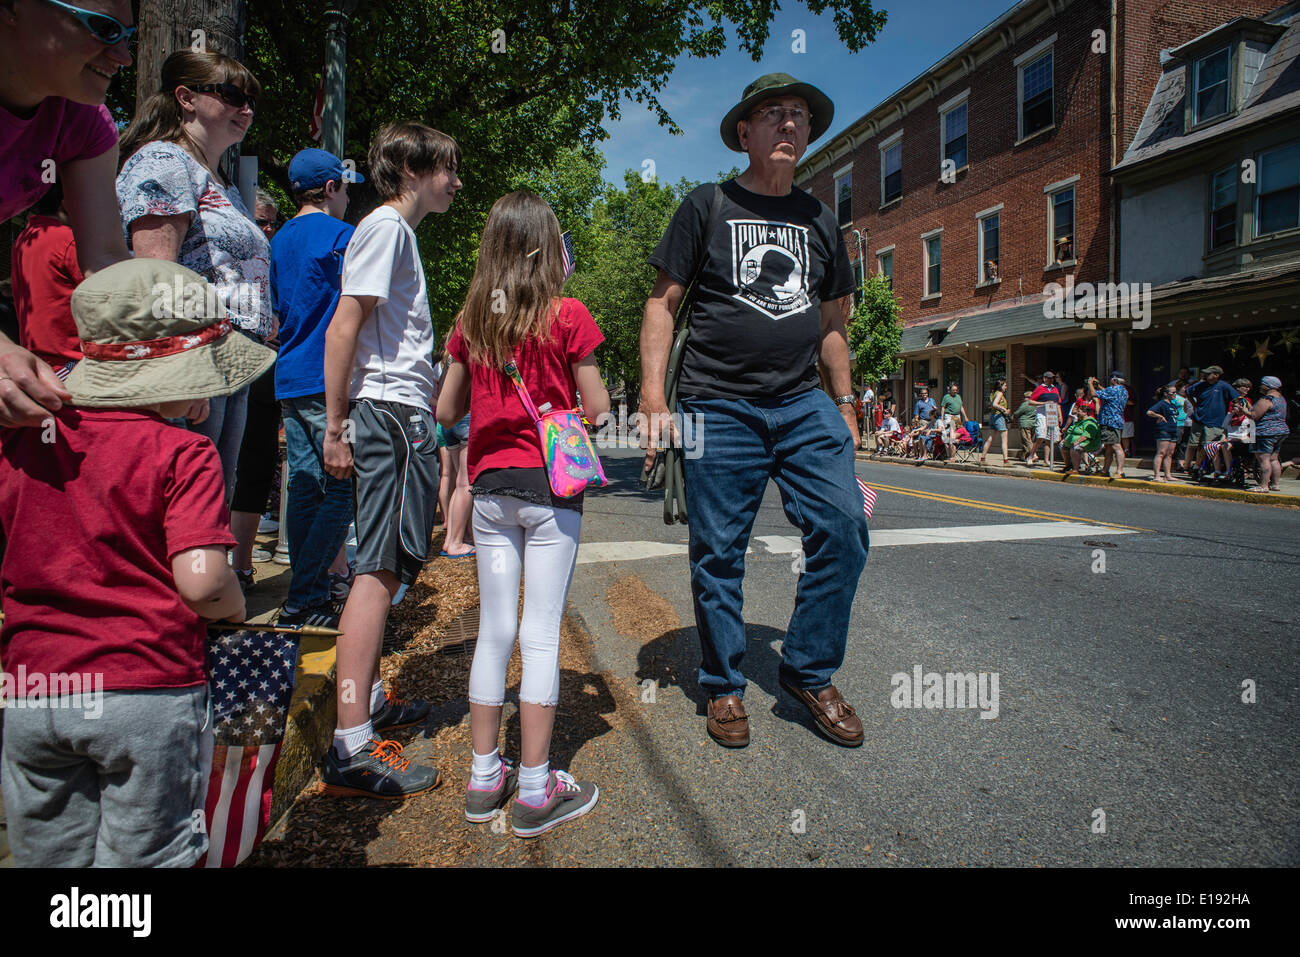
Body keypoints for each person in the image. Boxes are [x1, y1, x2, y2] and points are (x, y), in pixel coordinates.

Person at [0, 258, 272, 866]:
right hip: (144, 685)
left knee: (48, 853)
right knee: (149, 853)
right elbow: (202, 583)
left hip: (32, 686)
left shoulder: (24, 437)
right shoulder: (182, 452)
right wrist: (231, 607)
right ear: (171, 373)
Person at [640, 72, 868, 748]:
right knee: (718, 551)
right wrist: (653, 396)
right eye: (775, 114)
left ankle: (808, 668)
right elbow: (662, 302)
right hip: (717, 403)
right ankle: (724, 685)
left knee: (845, 523)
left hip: (802, 403)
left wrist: (846, 400)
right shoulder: (708, 204)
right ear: (746, 132)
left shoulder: (821, 219)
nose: (790, 125)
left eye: (799, 115)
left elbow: (832, 323)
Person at [436, 191, 608, 836]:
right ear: (547, 246)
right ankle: (536, 789)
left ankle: (486, 777)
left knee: (495, 631)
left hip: (489, 488)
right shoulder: (568, 315)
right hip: (551, 490)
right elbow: (593, 409)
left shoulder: (473, 318)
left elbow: (447, 412)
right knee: (540, 632)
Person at [320, 122, 462, 797]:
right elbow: (344, 323)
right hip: (385, 413)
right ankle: (349, 744)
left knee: (391, 562)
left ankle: (369, 699)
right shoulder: (385, 228)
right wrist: (338, 424)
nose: (456, 182)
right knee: (377, 569)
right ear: (411, 166)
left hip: (396, 412)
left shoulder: (395, 233)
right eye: (447, 169)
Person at [116, 49, 272, 496]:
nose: (246, 109)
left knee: (212, 500)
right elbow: (155, 274)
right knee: (187, 500)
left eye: (251, 101)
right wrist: (182, 369)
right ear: (186, 97)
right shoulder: (165, 161)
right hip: (197, 354)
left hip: (233, 358)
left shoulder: (219, 180)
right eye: (231, 95)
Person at [0, 0, 133, 428]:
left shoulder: (86, 122)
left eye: (127, 37)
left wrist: (163, 350)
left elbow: (106, 267)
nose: (123, 57)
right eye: (103, 28)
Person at [271, 148, 361, 627]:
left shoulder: (279, 238)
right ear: (331, 188)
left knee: (305, 487)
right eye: (347, 188)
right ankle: (305, 595)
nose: (349, 197)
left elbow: (277, 312)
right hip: (328, 380)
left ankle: (305, 594)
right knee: (344, 490)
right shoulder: (344, 237)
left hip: (288, 377)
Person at [229, 188, 285, 590]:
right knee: (216, 465)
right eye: (259, 221)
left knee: (256, 466)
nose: (266, 228)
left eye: (271, 222)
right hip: (224, 366)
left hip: (265, 371)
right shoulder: (224, 256)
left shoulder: (277, 257)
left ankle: (241, 566)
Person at [9, 183, 83, 380]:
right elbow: (105, 295)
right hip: (72, 362)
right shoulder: (68, 241)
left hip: (38, 361)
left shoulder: (26, 237)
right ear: (67, 204)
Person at [435, 350, 475, 558]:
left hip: (448, 424)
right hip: (467, 417)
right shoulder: (474, 350)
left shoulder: (449, 359)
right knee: (466, 483)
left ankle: (456, 535)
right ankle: (457, 541)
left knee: (457, 482)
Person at [1186, 364, 1238, 473]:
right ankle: (1193, 467)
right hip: (1199, 418)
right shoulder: (1201, 385)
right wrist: (1194, 405)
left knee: (1208, 445)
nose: (1205, 375)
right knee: (1194, 444)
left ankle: (1198, 466)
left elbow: (1236, 398)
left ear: (1216, 375)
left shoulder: (1224, 386)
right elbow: (1188, 392)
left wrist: (1234, 411)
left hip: (1215, 420)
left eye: (1209, 373)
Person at [1247, 375, 1289, 493]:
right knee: (1274, 459)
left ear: (1268, 386)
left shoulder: (1267, 399)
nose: (1261, 386)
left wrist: (1243, 410)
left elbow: (1254, 416)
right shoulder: (1281, 399)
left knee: (1263, 459)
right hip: (1280, 431)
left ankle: (1263, 486)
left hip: (1265, 432)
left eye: (1262, 384)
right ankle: (1275, 484)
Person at [1089, 372, 1129, 478]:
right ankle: (1105, 470)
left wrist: (1090, 384)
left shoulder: (1111, 390)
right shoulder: (1123, 391)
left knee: (1116, 446)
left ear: (1114, 380)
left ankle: (1120, 471)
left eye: (1111, 379)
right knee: (1109, 448)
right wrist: (1099, 386)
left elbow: (1094, 394)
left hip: (1109, 422)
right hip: (1118, 421)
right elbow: (1107, 394)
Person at [1146, 385, 1179, 482]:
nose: (1175, 394)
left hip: (1173, 430)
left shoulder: (1172, 404)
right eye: (1173, 392)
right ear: (1165, 394)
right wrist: (1159, 416)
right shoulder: (1161, 403)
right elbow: (1149, 412)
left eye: (1175, 392)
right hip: (1164, 430)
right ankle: (1157, 475)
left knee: (1169, 454)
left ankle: (1168, 475)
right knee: (1161, 453)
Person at [1029, 372, 1061, 465]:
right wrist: (1043, 403)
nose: (1051, 380)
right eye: (1049, 378)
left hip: (1052, 414)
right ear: (1044, 379)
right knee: (1041, 436)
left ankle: (1047, 460)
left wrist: (1060, 416)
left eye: (1052, 378)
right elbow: (1030, 402)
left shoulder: (1055, 389)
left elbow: (1058, 403)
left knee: (1051, 438)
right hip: (1042, 414)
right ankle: (1031, 455)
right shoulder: (1040, 388)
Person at [980, 377, 1010, 464]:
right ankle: (1006, 460)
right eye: (1005, 385)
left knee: (990, 438)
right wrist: (1004, 409)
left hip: (992, 416)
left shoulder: (993, 393)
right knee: (1004, 439)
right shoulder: (1000, 393)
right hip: (999, 416)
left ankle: (983, 458)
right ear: (1001, 386)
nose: (1006, 387)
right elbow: (995, 404)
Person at [939, 382, 967, 451]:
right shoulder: (946, 397)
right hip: (949, 415)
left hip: (957, 416)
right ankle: (950, 442)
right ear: (950, 390)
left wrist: (965, 417)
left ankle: (951, 441)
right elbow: (943, 408)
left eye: (956, 390)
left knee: (959, 431)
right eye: (953, 390)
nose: (955, 391)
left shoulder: (958, 396)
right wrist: (942, 418)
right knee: (952, 429)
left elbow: (961, 407)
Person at [1012, 390, 1037, 463]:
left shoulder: (1025, 404)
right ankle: (1023, 456)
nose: (1023, 398)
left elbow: (1017, 413)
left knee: (1027, 440)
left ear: (1027, 397)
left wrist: (1012, 416)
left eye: (1024, 397)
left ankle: (1034, 455)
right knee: (1029, 441)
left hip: (1024, 424)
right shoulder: (1035, 404)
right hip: (1033, 424)